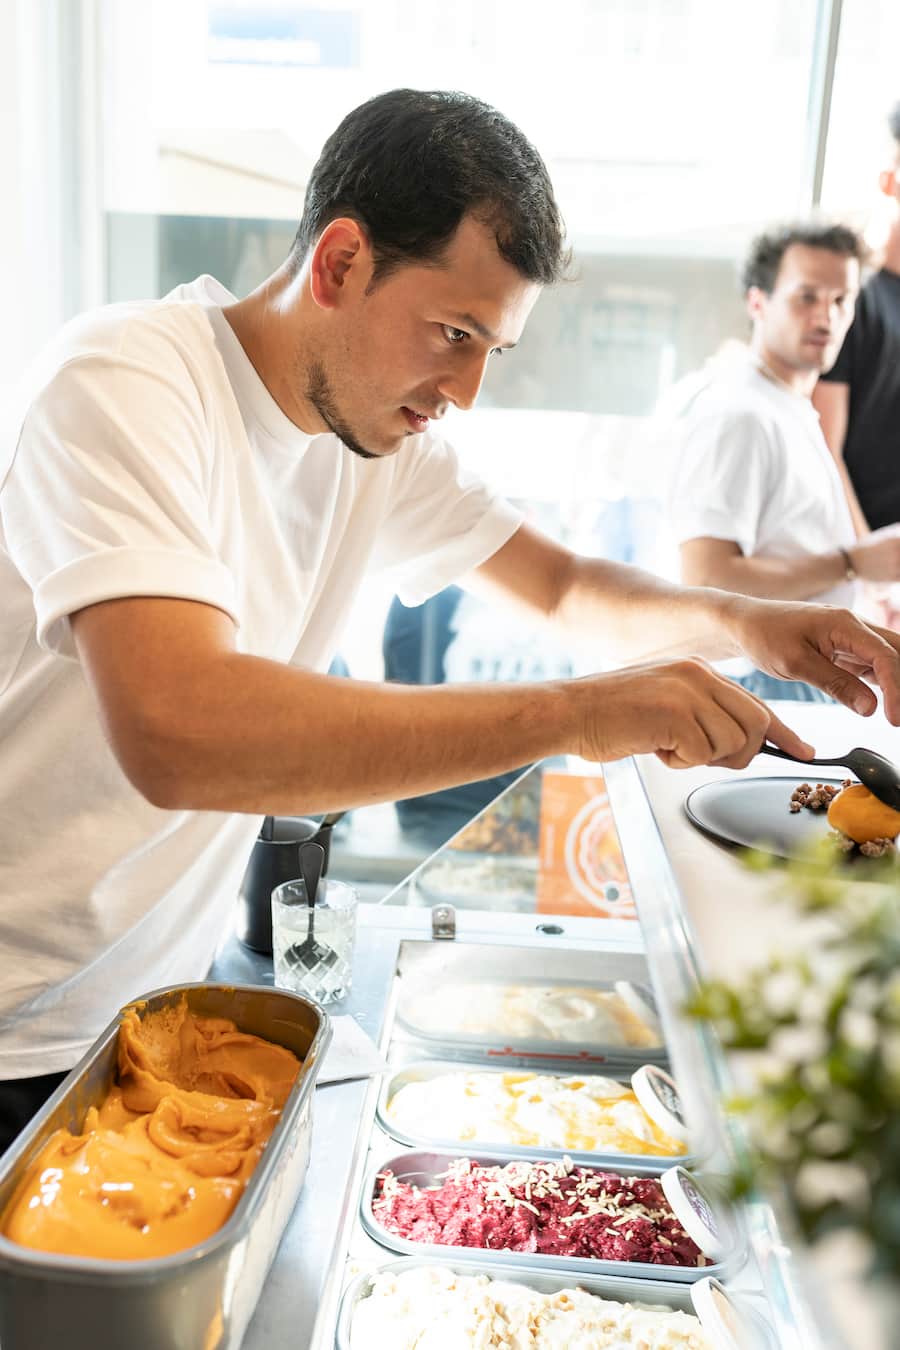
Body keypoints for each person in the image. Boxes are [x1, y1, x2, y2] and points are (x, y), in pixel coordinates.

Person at [3, 91, 900, 1153]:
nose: (465, 390)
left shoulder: (378, 441)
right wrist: (576, 712)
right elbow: (179, 731)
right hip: (17, 1024)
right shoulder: (130, 380)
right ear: (338, 263)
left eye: (493, 350)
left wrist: (753, 625)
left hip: (144, 1018)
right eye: (453, 333)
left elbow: (565, 587)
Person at [666, 220, 900, 701]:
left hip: (790, 674)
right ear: (758, 302)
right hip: (755, 680)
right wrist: (852, 564)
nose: (827, 317)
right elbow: (707, 578)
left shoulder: (787, 408)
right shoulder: (739, 413)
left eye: (841, 300)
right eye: (806, 297)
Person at [814, 100, 900, 531]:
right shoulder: (852, 297)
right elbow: (826, 447)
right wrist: (869, 568)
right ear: (890, 179)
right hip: (865, 560)